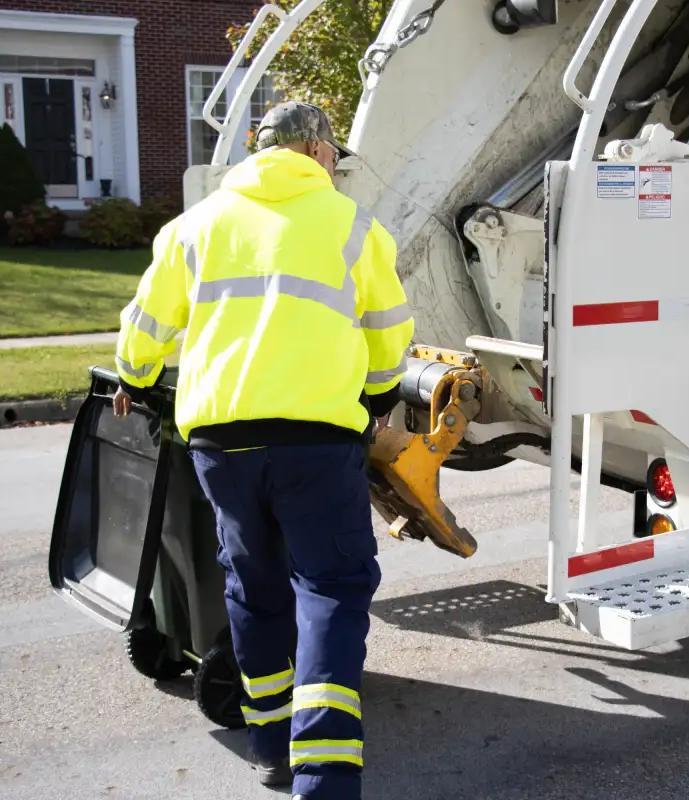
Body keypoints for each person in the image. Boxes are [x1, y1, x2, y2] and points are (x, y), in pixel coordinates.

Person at [111, 101, 414, 800]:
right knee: (331, 590)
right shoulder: (352, 226)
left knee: (255, 588)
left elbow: (147, 323)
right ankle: (326, 778)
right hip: (317, 442)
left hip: (223, 443)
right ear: (318, 152)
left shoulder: (199, 224)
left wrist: (132, 376)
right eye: (334, 155)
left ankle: (272, 746)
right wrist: (372, 399)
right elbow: (390, 336)